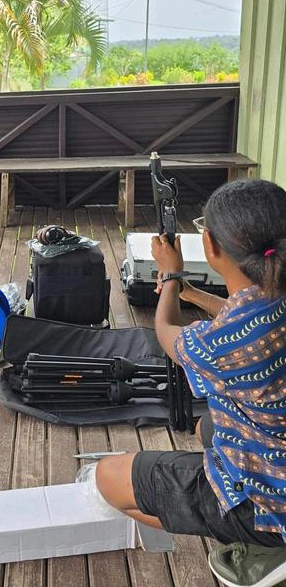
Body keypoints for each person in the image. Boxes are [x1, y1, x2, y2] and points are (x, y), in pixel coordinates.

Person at [95, 179, 286, 587]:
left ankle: (263, 544)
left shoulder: (218, 344)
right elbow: (244, 313)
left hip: (270, 500)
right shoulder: (273, 299)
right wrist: (193, 294)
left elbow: (167, 333)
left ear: (211, 247)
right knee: (205, 428)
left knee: (107, 479)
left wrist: (170, 274)